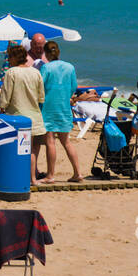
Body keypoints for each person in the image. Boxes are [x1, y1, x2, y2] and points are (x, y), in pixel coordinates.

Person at [0, 44, 48, 184]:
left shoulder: (11, 72)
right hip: (34, 117)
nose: (8, 60)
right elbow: (41, 97)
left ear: (14, 57)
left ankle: (15, 177)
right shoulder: (36, 72)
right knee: (30, 150)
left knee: (16, 150)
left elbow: (5, 97)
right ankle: (32, 178)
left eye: (9, 57)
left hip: (16, 118)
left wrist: (2, 108)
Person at [38, 40, 82, 181]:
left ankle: (50, 175)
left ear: (46, 53)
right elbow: (73, 87)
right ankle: (77, 173)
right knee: (66, 142)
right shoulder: (70, 67)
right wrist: (66, 96)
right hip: (64, 107)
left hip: (49, 108)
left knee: (50, 142)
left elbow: (40, 86)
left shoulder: (46, 68)